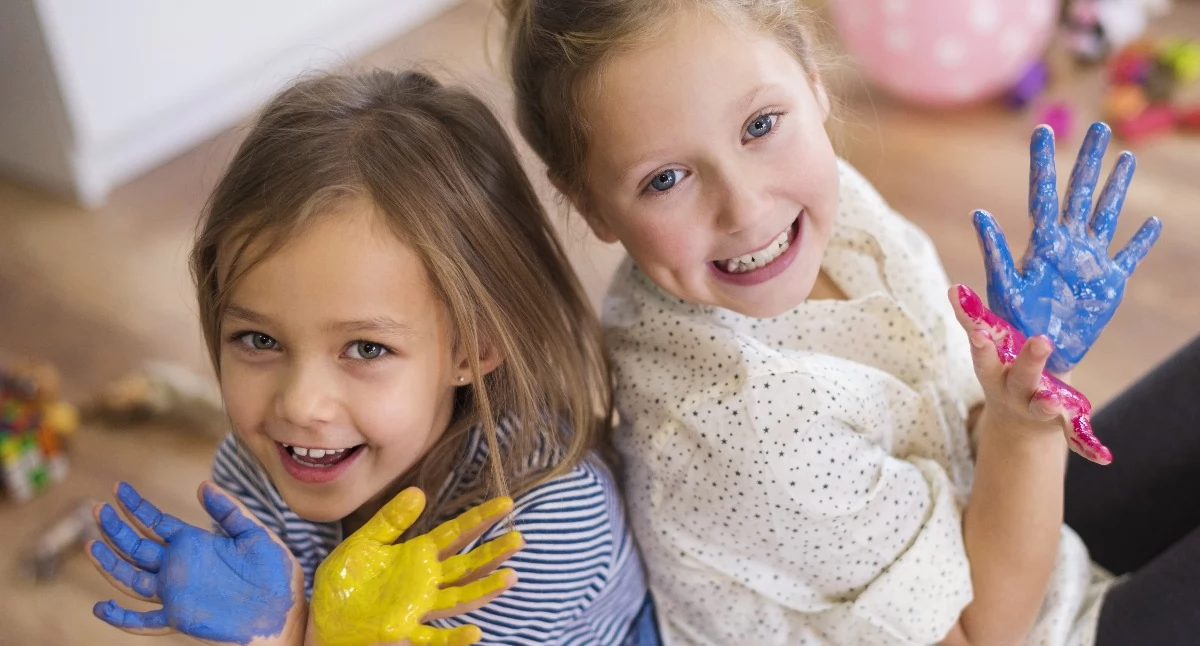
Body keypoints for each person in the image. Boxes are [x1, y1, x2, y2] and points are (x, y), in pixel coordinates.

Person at [498, 1, 1197, 644]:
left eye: (759, 126)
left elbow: (962, 428)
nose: (746, 208)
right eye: (665, 179)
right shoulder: (747, 421)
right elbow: (986, 634)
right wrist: (1025, 423)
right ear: (589, 205)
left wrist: (1021, 376)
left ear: (812, 79)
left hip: (1010, 528)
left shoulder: (821, 209)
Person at [86, 69, 657, 646]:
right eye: (259, 340)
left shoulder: (541, 526)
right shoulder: (252, 470)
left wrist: (294, 633)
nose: (300, 405)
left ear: (473, 347)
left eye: (365, 348)